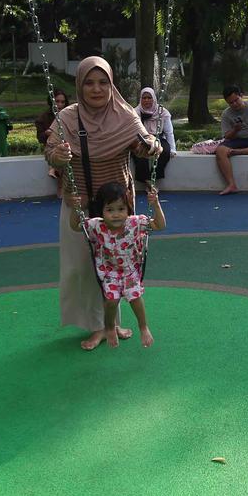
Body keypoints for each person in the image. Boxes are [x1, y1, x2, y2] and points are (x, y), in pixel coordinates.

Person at [45, 57, 162, 351]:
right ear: (79, 85)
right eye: (89, 82)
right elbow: (50, 152)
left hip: (116, 207)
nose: (96, 89)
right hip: (81, 204)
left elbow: (141, 143)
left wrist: (151, 146)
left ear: (112, 85)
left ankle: (110, 323)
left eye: (103, 82)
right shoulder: (68, 119)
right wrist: (57, 156)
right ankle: (95, 325)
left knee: (117, 265)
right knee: (83, 267)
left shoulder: (124, 115)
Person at [69, 182, 167, 348]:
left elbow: (160, 225)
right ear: (101, 211)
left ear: (128, 209)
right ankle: (109, 328)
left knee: (135, 298)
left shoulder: (135, 223)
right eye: (110, 210)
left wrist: (155, 204)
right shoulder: (96, 226)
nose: (116, 215)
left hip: (130, 271)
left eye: (121, 209)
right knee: (111, 301)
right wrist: (74, 209)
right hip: (109, 273)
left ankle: (143, 327)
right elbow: (75, 226)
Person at [134, 87, 177, 183]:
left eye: (149, 98)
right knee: (140, 153)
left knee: (165, 151)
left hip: (158, 137)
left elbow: (169, 132)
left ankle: (155, 178)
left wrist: (173, 149)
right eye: (144, 98)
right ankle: (146, 181)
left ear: (154, 99)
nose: (146, 100)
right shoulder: (135, 112)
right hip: (142, 138)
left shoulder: (163, 112)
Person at [35, 88, 70, 197]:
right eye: (57, 101)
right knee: (60, 154)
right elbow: (40, 138)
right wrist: (47, 133)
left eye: (62, 102)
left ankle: (54, 171)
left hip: (68, 145)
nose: (59, 104)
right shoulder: (43, 118)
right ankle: (55, 173)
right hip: (51, 146)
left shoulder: (70, 115)